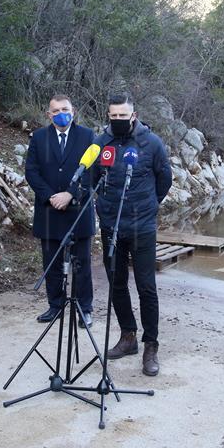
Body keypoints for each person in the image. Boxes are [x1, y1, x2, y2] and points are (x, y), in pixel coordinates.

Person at [94, 95, 172, 376]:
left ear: (134, 115)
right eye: (113, 116)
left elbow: (165, 179)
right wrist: (102, 209)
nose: (117, 121)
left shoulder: (152, 143)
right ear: (108, 115)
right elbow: (94, 179)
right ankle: (128, 337)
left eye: (122, 116)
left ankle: (150, 344)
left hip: (142, 228)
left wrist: (148, 205)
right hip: (111, 226)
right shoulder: (102, 143)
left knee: (146, 287)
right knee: (116, 284)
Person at [25, 95, 96, 328]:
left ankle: (84, 309)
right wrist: (51, 196)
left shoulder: (87, 136)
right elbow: (32, 172)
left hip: (78, 211)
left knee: (82, 264)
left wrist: (70, 194)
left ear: (73, 111)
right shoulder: (38, 137)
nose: (60, 113)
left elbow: (91, 173)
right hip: (49, 210)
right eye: (55, 110)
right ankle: (55, 305)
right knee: (51, 262)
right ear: (49, 114)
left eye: (65, 109)